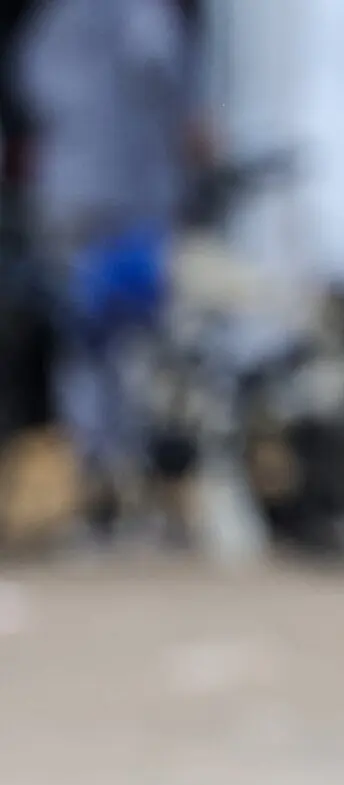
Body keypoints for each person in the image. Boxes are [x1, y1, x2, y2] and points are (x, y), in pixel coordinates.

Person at [15, 0, 208, 538]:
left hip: (71, 190)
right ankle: (122, 479)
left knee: (88, 344)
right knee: (135, 344)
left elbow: (32, 83)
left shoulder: (56, 18)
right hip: (126, 197)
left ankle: (98, 480)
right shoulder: (140, 13)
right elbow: (164, 76)